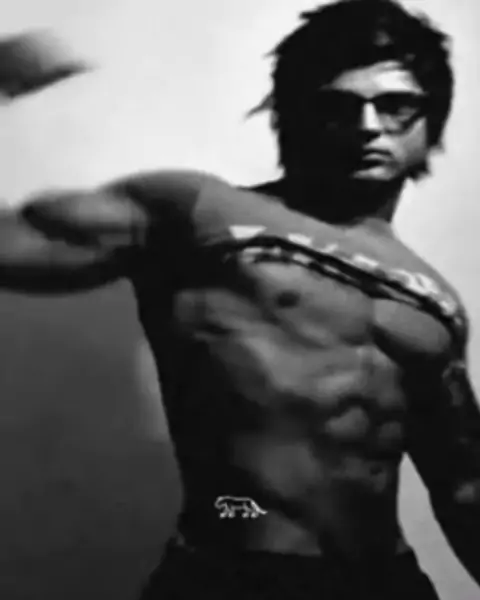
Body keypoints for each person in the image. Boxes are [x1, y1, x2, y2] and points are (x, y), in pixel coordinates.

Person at [1, 0, 479, 598]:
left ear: (432, 121)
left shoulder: (434, 297)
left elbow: (464, 486)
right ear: (295, 115)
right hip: (236, 571)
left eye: (396, 105)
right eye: (338, 105)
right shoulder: (195, 212)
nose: (367, 125)